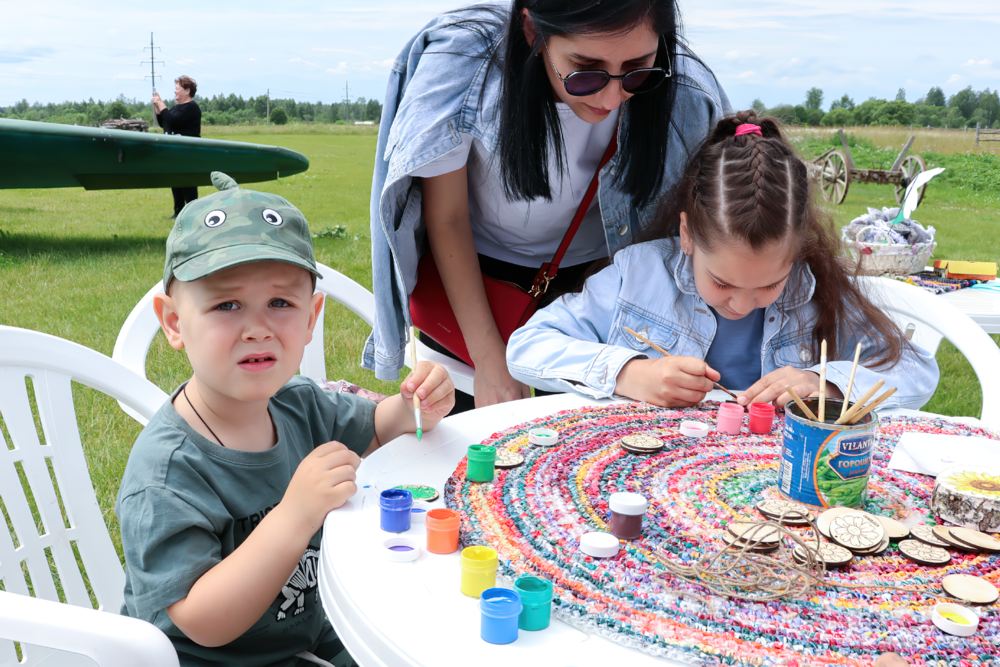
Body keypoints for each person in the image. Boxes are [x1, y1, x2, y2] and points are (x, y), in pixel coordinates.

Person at [115, 172, 455, 666]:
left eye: (280, 303)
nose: (257, 329)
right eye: (227, 305)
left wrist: (414, 404)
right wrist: (295, 515)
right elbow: (204, 622)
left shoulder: (297, 403)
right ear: (173, 323)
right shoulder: (168, 474)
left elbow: (380, 426)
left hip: (308, 635)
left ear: (311, 316)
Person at [365, 0, 730, 412]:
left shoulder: (687, 90)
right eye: (585, 71)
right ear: (533, 32)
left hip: (596, 290)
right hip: (475, 282)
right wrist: (489, 360)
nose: (612, 98)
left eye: (637, 71)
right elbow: (446, 218)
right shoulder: (464, 65)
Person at [506, 112, 939, 409]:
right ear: (688, 235)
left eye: (770, 285)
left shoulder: (814, 289)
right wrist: (629, 373)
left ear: (800, 250)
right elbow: (528, 346)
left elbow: (917, 369)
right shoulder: (638, 276)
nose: (743, 304)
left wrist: (825, 383)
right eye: (722, 283)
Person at [153, 74, 202, 217]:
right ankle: (178, 213)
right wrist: (158, 106)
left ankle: (193, 213)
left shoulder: (191, 108)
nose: (175, 91)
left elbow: (173, 120)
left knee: (188, 183)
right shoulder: (177, 107)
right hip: (175, 152)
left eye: (177, 88)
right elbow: (165, 122)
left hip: (187, 153)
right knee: (176, 182)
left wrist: (161, 104)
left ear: (187, 91)